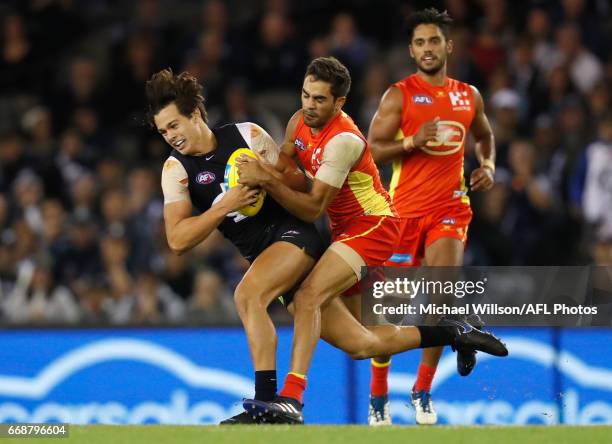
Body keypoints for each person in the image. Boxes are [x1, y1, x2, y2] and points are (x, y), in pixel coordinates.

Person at [146, 68, 505, 425]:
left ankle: (276, 400)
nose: (170, 137)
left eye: (174, 125)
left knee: (249, 296)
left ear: (195, 114)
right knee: (362, 343)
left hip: (296, 236)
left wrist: (266, 179)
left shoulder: (248, 135)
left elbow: (300, 187)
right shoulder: (175, 170)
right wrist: (225, 204)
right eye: (163, 131)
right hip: (272, 253)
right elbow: (178, 240)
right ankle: (454, 331)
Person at [367, 8, 497, 425]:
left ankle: (422, 390)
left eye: (434, 41)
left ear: (448, 46)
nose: (427, 49)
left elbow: (485, 135)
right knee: (391, 310)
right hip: (404, 212)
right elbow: (372, 149)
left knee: (439, 299)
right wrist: (410, 141)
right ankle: (378, 394)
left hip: (450, 209)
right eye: (420, 43)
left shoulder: (468, 95)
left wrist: (488, 165)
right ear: (411, 50)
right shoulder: (398, 95)